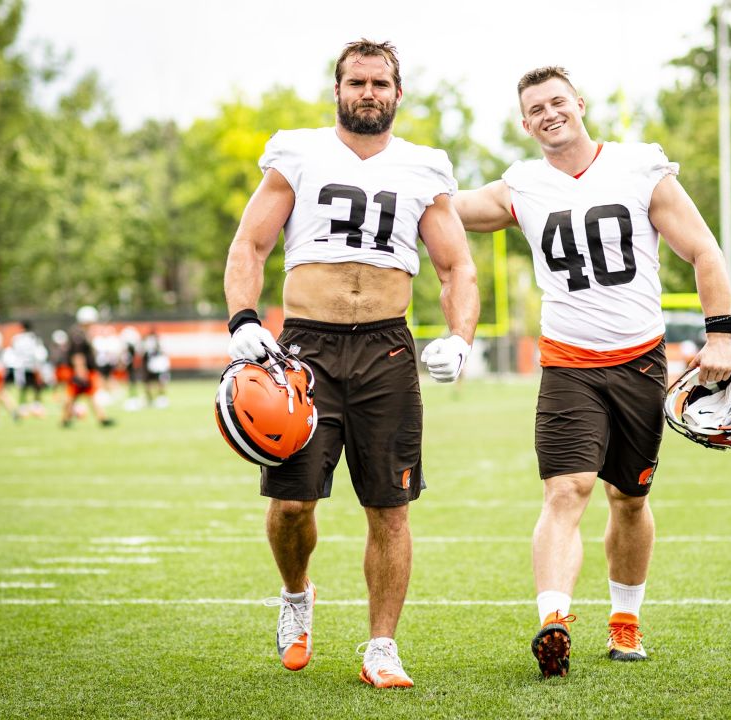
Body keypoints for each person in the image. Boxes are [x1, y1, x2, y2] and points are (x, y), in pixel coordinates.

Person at [453, 66, 731, 677]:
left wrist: (721, 335)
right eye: (536, 108)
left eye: (558, 101)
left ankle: (625, 621)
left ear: (579, 103)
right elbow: (446, 211)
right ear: (524, 123)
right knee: (567, 490)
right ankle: (554, 619)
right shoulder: (520, 185)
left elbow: (704, 249)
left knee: (628, 498)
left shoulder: (638, 167)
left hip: (639, 361)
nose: (550, 113)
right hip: (567, 364)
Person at [223, 38, 479, 689]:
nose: (369, 93)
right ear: (337, 90)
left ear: (398, 93)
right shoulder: (298, 152)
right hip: (306, 347)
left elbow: (456, 267)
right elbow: (250, 245)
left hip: (387, 350)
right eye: (357, 82)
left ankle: (382, 646)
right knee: (291, 505)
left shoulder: (425, 166)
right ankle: (295, 596)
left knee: (390, 508)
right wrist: (244, 320)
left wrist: (460, 336)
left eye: (380, 83)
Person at [60, 305, 115, 428]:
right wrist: (81, 372)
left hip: (83, 370)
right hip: (81, 371)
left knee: (89, 395)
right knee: (72, 395)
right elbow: (78, 355)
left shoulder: (80, 333)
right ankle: (65, 419)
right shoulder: (78, 334)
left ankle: (102, 418)